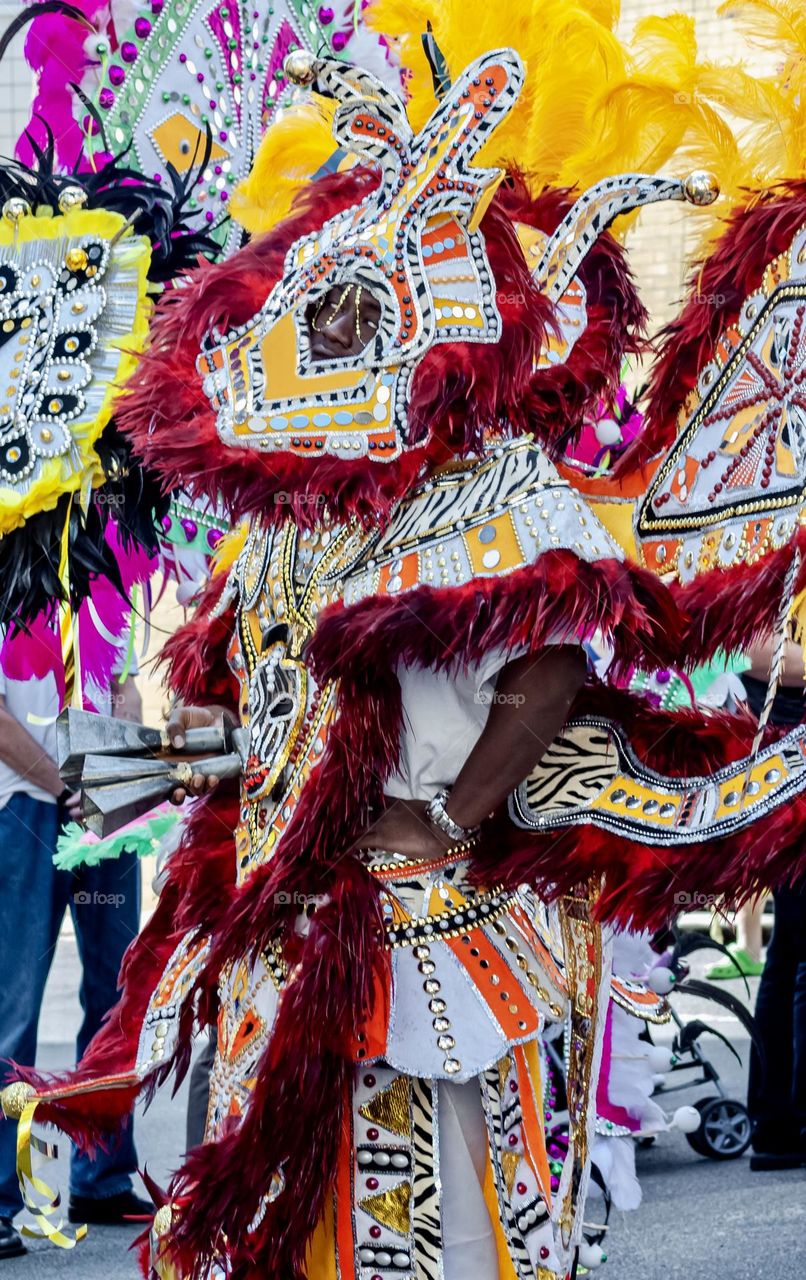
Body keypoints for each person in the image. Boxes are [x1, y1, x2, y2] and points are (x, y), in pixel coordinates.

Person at [0, 610, 151, 1260]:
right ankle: (2, 1195)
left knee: (118, 995)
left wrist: (117, 774)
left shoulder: (102, 580)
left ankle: (101, 1175)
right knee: (12, 1008)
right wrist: (65, 786)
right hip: (23, 806)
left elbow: (126, 686)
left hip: (104, 806)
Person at [744, 633, 806, 1170]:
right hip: (788, 735)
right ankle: (781, 1119)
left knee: (793, 946)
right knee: (798, 945)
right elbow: (757, 651)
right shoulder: (780, 551)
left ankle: (779, 1119)